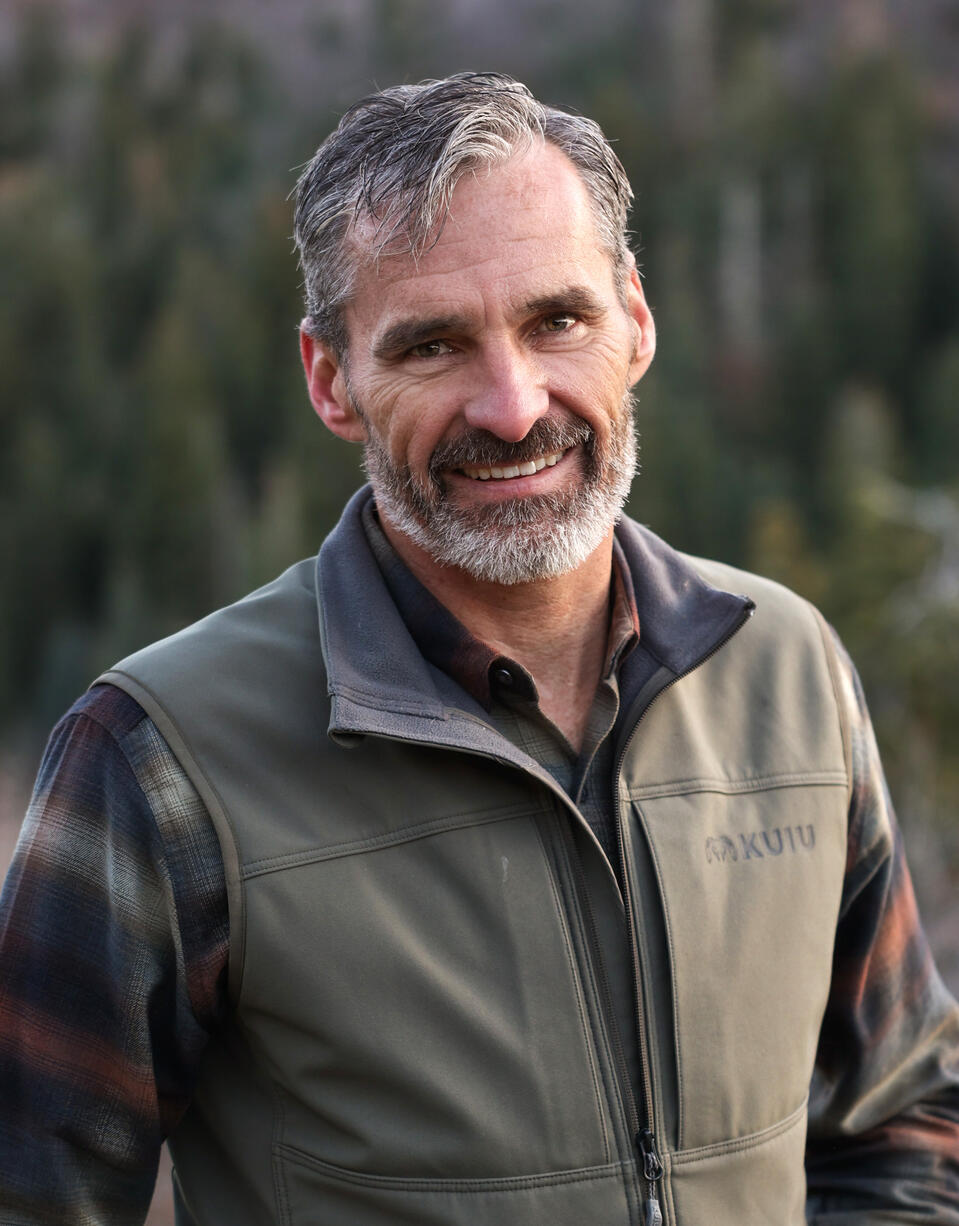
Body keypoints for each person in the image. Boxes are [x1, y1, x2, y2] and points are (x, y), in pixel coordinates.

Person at [1, 72, 957, 1226]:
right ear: (331, 381)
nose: (510, 406)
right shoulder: (158, 759)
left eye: (557, 320)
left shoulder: (786, 668)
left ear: (634, 320)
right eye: (432, 345)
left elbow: (899, 1121)